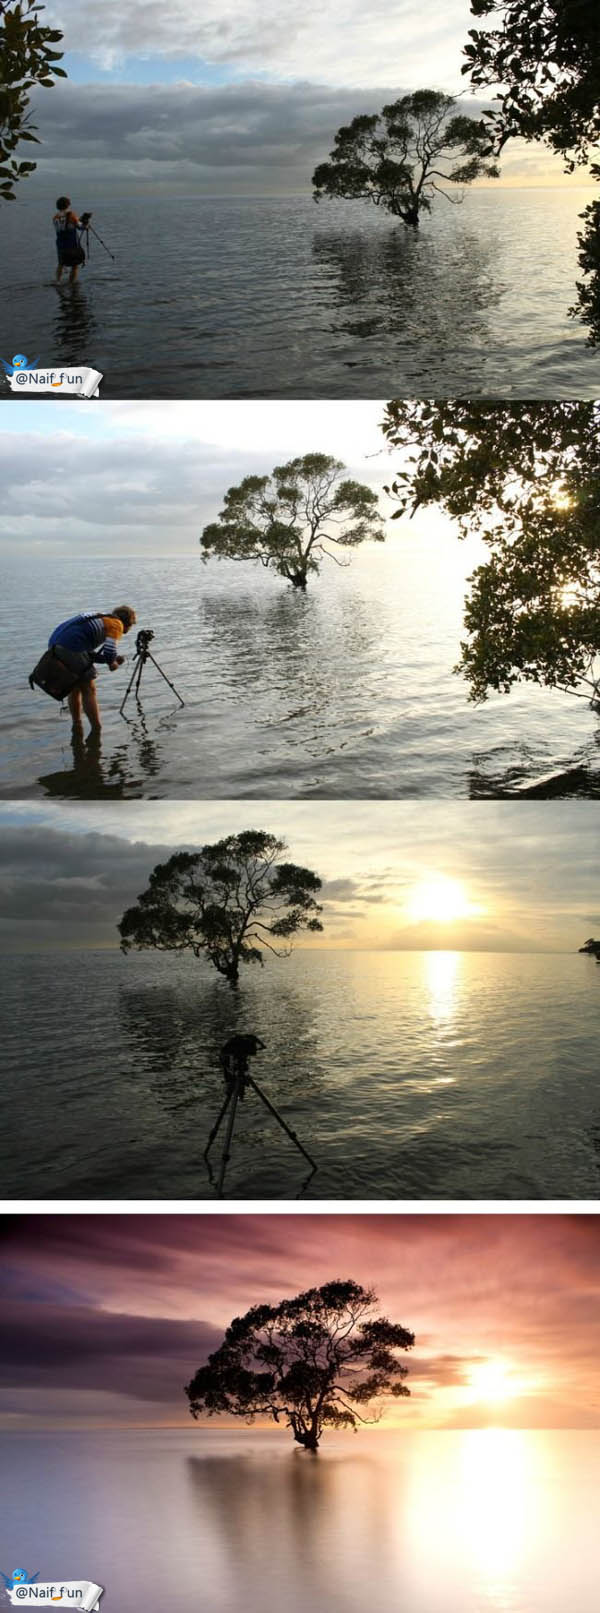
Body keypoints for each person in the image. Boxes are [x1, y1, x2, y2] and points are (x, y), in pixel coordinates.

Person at [47, 606, 137, 732]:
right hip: (71, 646)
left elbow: (88, 655)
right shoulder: (116, 624)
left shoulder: (100, 617)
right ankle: (97, 728)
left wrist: (109, 659)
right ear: (128, 623)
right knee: (89, 689)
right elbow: (109, 650)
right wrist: (112, 663)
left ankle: (77, 725)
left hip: (55, 645)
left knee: (75, 687)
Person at [53, 197, 91, 284]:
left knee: (61, 264)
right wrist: (86, 223)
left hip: (60, 244)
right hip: (72, 244)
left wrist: (78, 221)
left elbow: (63, 227)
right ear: (68, 205)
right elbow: (81, 227)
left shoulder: (55, 217)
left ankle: (57, 282)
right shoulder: (71, 215)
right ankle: (72, 283)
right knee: (74, 265)